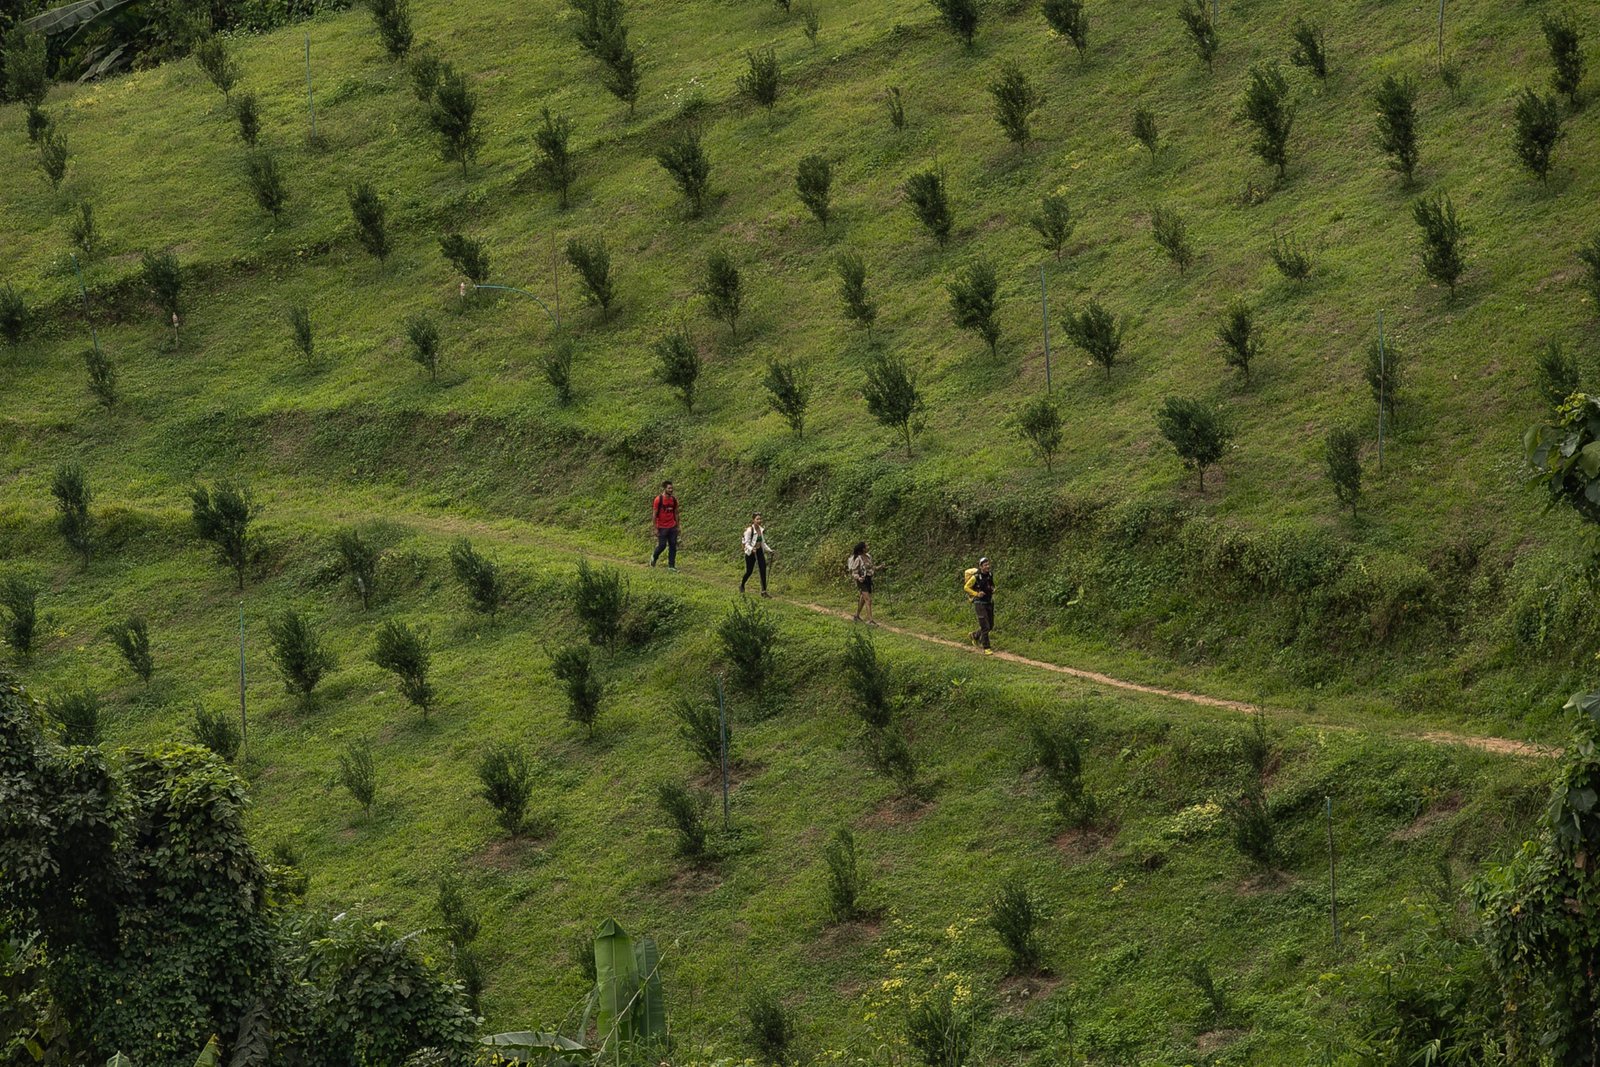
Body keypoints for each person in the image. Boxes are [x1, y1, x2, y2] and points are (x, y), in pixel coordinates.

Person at [964, 556, 995, 654]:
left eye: (988, 564)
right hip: (979, 603)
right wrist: (977, 594)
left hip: (988, 602)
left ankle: (975, 635)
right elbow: (966, 587)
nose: (987, 566)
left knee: (990, 625)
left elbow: (991, 584)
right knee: (985, 626)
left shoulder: (990, 574)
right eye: (985, 565)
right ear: (980, 567)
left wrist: (993, 589)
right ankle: (986, 648)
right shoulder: (976, 577)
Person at [847, 541, 881, 624]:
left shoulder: (868, 556)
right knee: (868, 600)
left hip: (868, 579)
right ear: (863, 549)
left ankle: (857, 616)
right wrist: (858, 578)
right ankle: (870, 620)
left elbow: (871, 567)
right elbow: (854, 572)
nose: (868, 547)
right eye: (866, 546)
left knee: (863, 598)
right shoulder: (858, 559)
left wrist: (880, 567)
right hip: (861, 581)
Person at [740, 512, 773, 597]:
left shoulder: (761, 530)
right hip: (750, 552)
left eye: (760, 519)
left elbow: (762, 543)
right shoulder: (749, 530)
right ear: (753, 520)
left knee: (763, 569)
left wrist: (769, 550)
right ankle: (742, 585)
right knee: (749, 571)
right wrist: (752, 548)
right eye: (757, 519)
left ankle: (764, 591)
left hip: (758, 551)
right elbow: (746, 544)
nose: (759, 521)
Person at [650, 480, 679, 570]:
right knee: (662, 545)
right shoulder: (658, 500)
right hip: (662, 527)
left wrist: (678, 525)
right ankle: (654, 556)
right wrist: (655, 528)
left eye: (672, 488)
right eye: (669, 488)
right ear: (665, 489)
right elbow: (654, 515)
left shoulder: (673, 500)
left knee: (673, 545)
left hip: (672, 526)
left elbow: (676, 513)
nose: (671, 490)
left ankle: (671, 566)